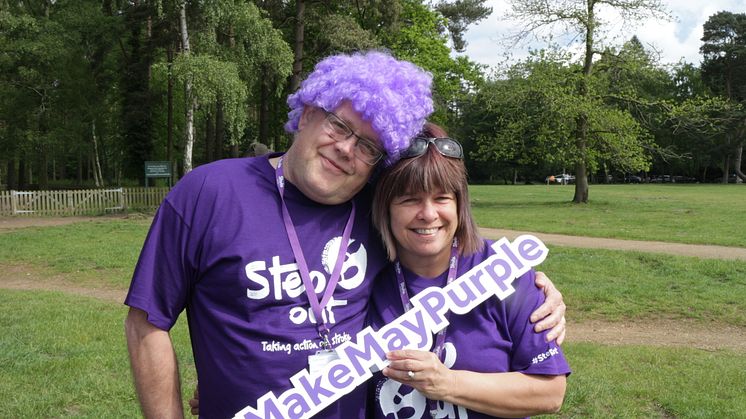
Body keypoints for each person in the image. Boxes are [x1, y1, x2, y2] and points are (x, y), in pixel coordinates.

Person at [125, 50, 566, 419]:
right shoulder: (209, 192)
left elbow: (439, 229)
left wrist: (534, 288)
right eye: (339, 124)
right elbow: (148, 322)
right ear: (307, 112)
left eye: (370, 146)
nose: (346, 149)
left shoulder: (375, 205)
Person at [367, 123, 570, 418]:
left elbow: (550, 392)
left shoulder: (504, 272)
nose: (428, 214)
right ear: (386, 207)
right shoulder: (363, 277)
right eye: (409, 199)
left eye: (441, 198)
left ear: (460, 204)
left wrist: (446, 383)